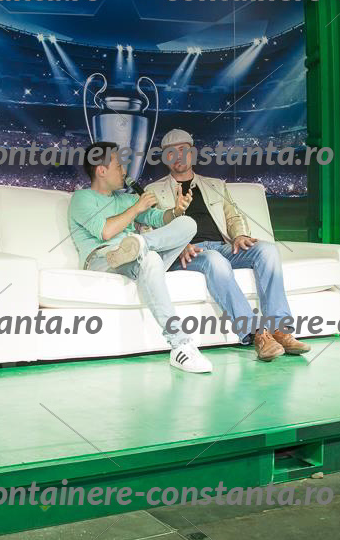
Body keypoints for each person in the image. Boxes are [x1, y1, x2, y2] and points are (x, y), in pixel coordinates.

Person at [146, 129, 309, 362]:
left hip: (222, 246)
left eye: (183, 150)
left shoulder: (214, 185)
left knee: (268, 250)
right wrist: (177, 245)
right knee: (215, 260)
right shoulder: (153, 191)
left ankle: (279, 330)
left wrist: (239, 235)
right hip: (187, 253)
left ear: (193, 153)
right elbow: (148, 228)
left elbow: (233, 216)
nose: (178, 156)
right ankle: (256, 334)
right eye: (171, 152)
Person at [67, 141, 211, 374]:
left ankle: (142, 244)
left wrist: (176, 210)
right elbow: (105, 232)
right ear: (101, 170)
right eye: (119, 166)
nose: (124, 171)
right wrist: (136, 208)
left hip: (138, 255)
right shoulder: (82, 198)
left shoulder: (126, 199)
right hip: (104, 258)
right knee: (151, 259)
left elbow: (158, 219)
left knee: (187, 224)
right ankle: (180, 345)